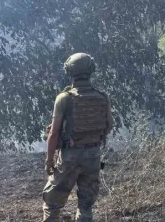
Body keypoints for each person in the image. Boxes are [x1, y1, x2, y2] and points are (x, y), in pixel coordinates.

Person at [42, 53, 114, 221]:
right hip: (93, 156)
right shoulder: (103, 97)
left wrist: (49, 161)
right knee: (86, 206)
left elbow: (53, 133)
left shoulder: (64, 99)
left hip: (69, 157)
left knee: (52, 205)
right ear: (91, 70)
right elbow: (109, 125)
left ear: (69, 71)